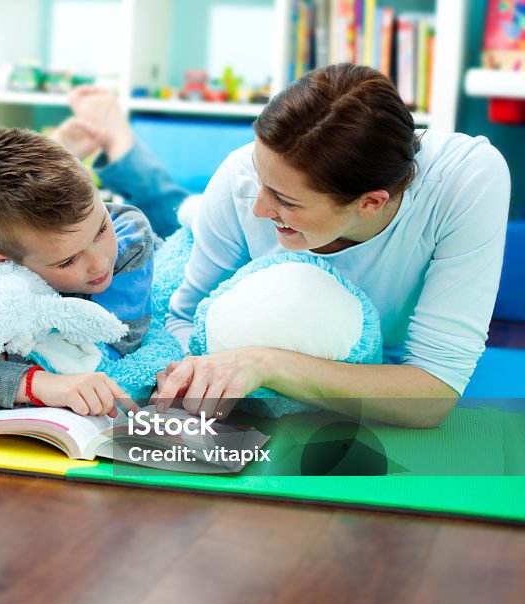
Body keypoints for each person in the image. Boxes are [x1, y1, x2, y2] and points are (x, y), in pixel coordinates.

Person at [53, 64, 511, 427]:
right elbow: (182, 320)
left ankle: (120, 143)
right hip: (201, 226)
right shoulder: (239, 181)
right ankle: (113, 148)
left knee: (180, 208)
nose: (257, 209)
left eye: (286, 200)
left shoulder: (465, 182)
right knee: (177, 218)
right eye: (260, 177)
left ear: (371, 203)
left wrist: (266, 364)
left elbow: (432, 395)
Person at [0, 127, 154, 417]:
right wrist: (34, 385)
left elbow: (113, 348)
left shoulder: (129, 238)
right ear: (7, 260)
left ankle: (68, 145)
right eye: (68, 261)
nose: (99, 264)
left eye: (100, 230)